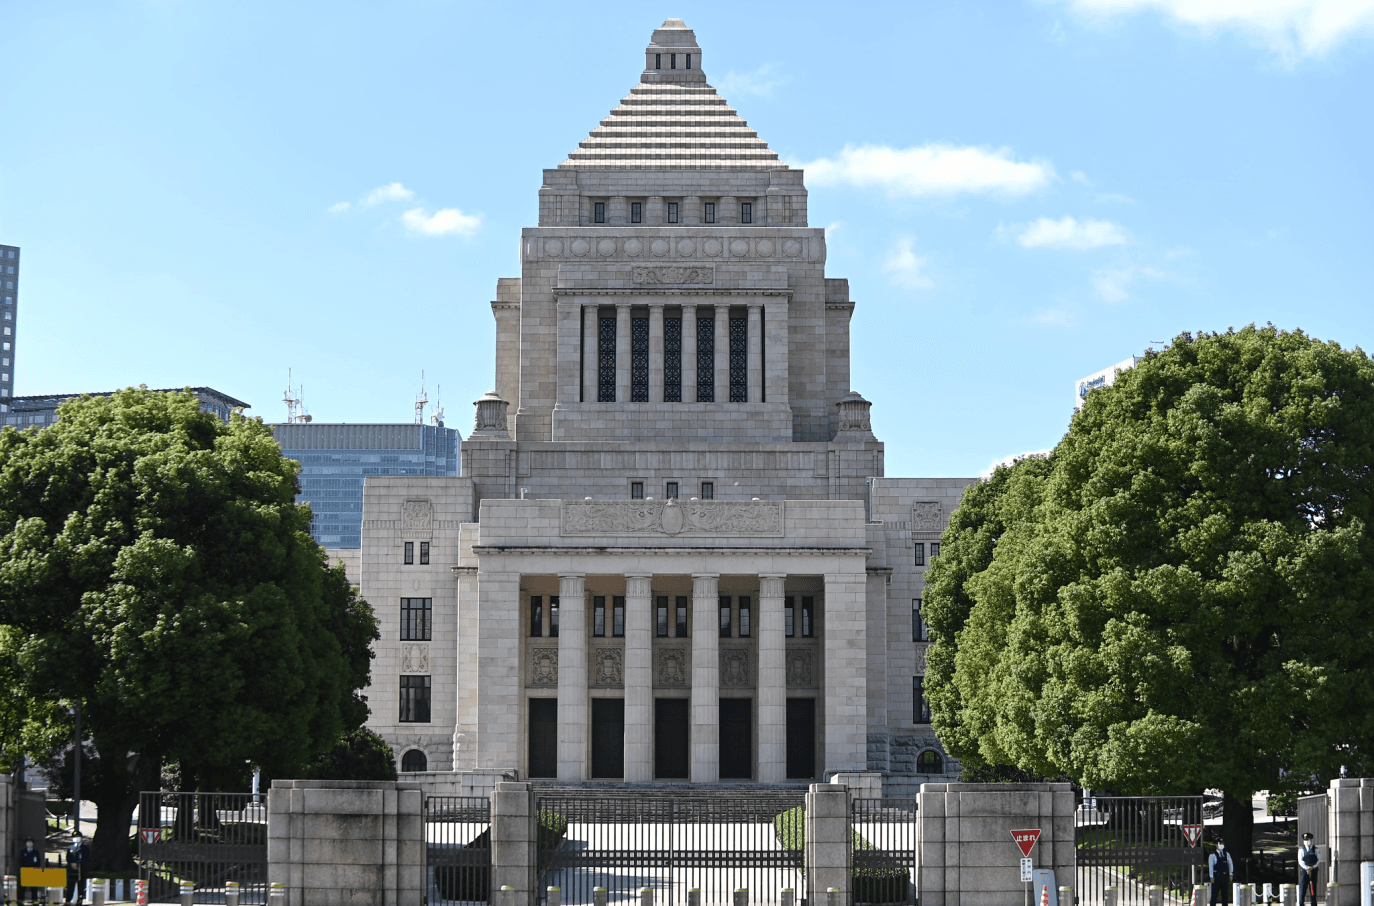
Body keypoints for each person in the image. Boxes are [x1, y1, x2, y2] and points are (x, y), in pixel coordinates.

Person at [64, 831, 90, 906]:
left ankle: (79, 901)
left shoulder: (85, 848)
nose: (76, 838)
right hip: (72, 870)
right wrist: (71, 864)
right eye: (74, 837)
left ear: (81, 838)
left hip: (81, 870)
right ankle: (68, 901)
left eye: (77, 837)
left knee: (80, 887)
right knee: (70, 886)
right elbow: (68, 858)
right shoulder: (70, 848)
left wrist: (78, 864)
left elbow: (86, 858)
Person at [1209, 841, 1235, 906]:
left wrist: (1231, 874)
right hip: (1216, 877)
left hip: (1225, 876)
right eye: (1220, 844)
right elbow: (1211, 866)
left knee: (1225, 895)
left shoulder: (1226, 854)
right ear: (1216, 845)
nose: (1221, 845)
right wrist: (1211, 876)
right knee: (1214, 895)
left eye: (1222, 843)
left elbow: (1230, 864)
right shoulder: (1212, 855)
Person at [1298, 832, 1320, 906]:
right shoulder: (1301, 850)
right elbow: (1300, 861)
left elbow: (1319, 860)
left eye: (1308, 839)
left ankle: (1313, 904)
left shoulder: (1316, 849)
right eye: (1305, 840)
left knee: (1313, 890)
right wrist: (1306, 867)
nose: (1306, 841)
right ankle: (1301, 904)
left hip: (1313, 870)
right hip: (1305, 871)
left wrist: (1312, 867)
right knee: (1302, 889)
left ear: (1311, 840)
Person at [19, 837, 41, 904]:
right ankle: (21, 903)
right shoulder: (23, 852)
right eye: (28, 842)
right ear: (25, 844)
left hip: (33, 872)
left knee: (34, 889)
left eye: (31, 842)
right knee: (23, 889)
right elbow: (21, 862)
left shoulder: (35, 852)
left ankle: (35, 903)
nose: (29, 843)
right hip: (25, 872)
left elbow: (38, 862)